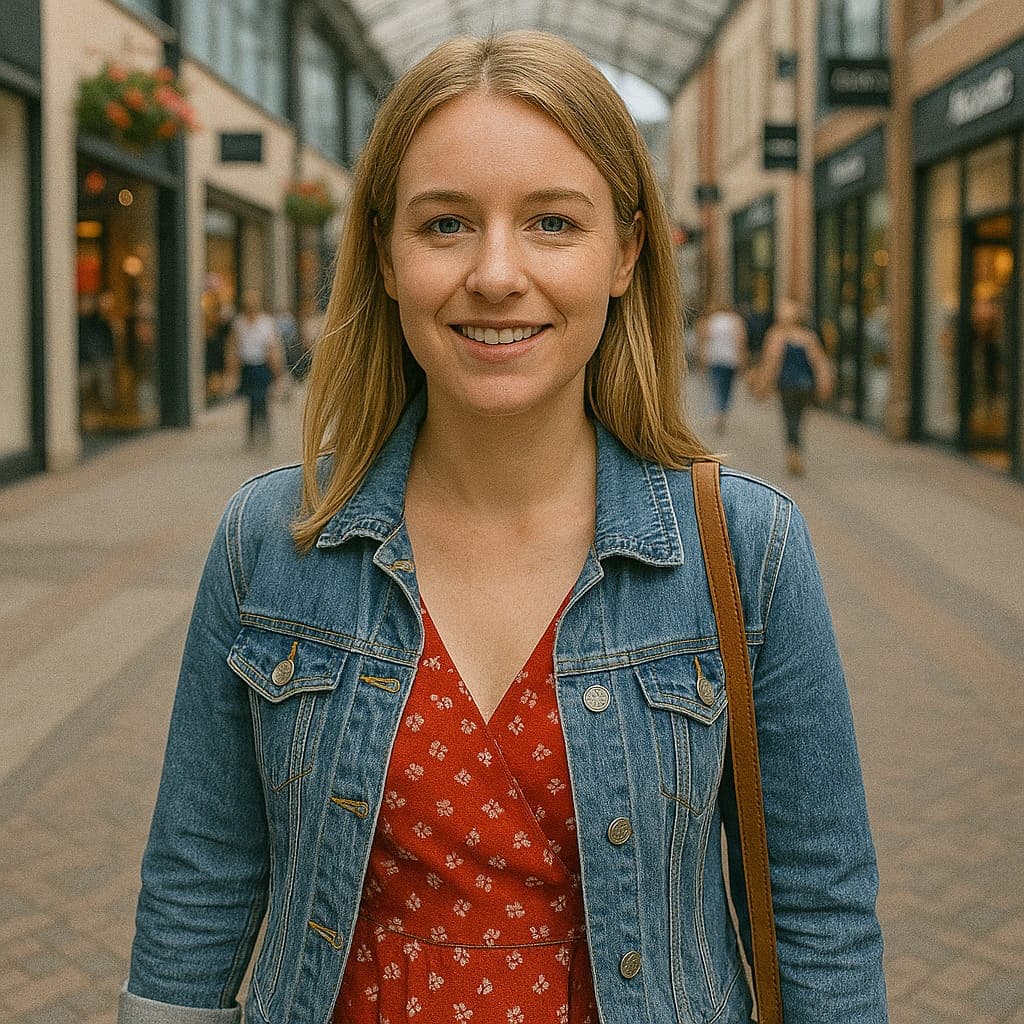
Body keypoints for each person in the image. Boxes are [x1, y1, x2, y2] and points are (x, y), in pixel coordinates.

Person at [120, 31, 887, 1024]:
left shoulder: (744, 551)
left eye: (551, 223)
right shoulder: (273, 539)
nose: (494, 272)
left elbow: (817, 907)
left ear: (625, 253)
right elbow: (201, 883)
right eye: (444, 223)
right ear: (387, 256)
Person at [757, 298, 834, 477]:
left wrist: (764, 385)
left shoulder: (777, 336)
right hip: (806, 385)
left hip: (787, 384)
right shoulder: (808, 337)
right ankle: (797, 450)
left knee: (789, 418)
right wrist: (824, 384)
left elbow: (772, 363)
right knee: (799, 419)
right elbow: (819, 362)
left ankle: (793, 452)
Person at [226, 289, 284, 446]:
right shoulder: (239, 323)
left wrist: (277, 373)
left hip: (262, 366)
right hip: (248, 366)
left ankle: (265, 431)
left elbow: (273, 347)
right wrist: (232, 372)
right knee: (251, 401)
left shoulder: (266, 322)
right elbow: (233, 347)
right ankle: (252, 435)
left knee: (262, 399)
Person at [696, 300, 748, 434]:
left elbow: (703, 338)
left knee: (717, 386)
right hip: (730, 359)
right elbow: (740, 341)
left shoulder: (712, 319)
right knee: (727, 388)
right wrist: (743, 360)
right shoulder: (735, 320)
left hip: (715, 358)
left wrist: (702, 358)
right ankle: (721, 412)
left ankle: (717, 411)